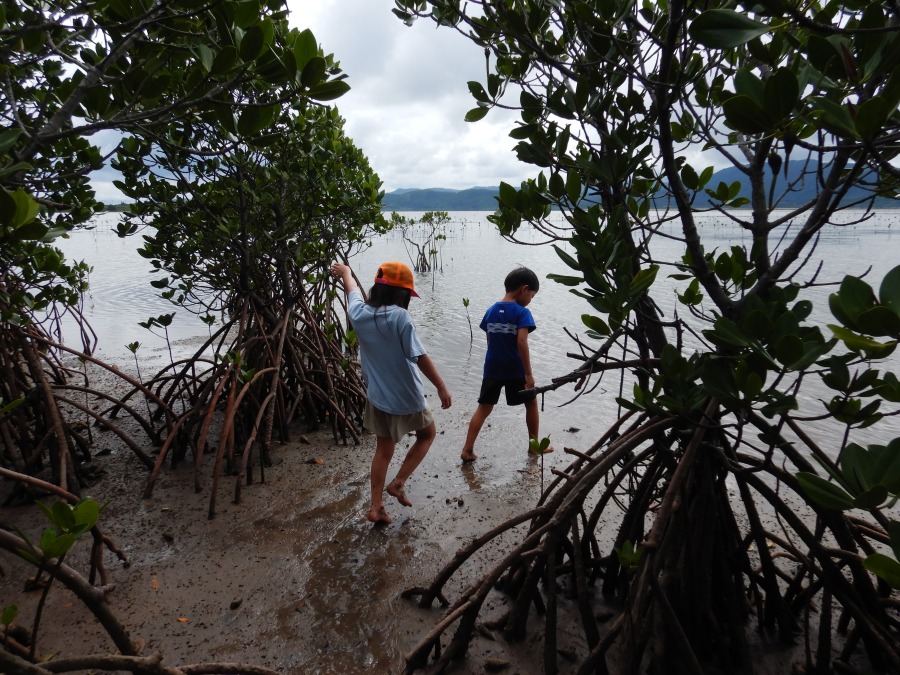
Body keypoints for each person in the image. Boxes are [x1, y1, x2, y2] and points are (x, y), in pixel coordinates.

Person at [330, 260, 452, 524]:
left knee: (383, 451)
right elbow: (419, 355)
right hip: (407, 396)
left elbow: (351, 290)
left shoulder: (358, 313)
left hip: (377, 397)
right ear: (403, 294)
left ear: (377, 289)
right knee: (427, 434)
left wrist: (346, 273)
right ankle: (398, 483)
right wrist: (441, 386)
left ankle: (376, 507)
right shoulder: (401, 317)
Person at [460, 266, 551, 462]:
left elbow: (489, 340)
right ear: (524, 289)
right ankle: (534, 447)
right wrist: (528, 374)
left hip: (492, 367)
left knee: (484, 407)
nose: (530, 300)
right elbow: (521, 342)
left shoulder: (491, 310)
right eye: (532, 296)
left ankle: (467, 449)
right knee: (531, 402)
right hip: (515, 369)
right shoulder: (522, 313)